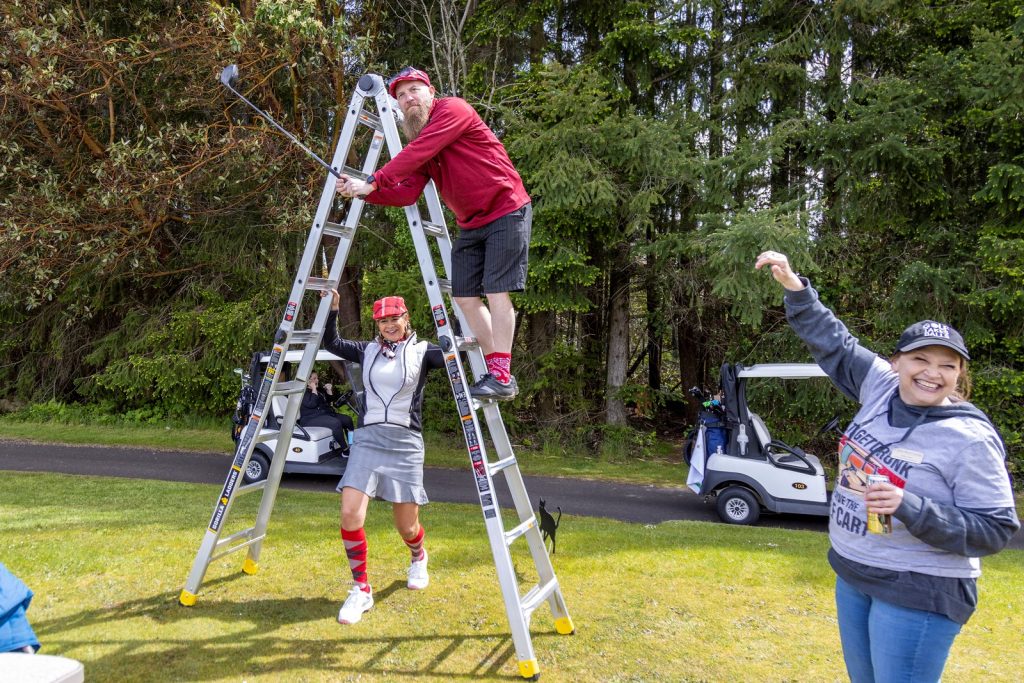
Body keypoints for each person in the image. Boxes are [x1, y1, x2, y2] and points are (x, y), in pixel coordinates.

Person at [755, 250, 1020, 683]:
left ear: (959, 375)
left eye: (946, 366)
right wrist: (795, 288)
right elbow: (833, 342)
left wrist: (910, 506)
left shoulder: (968, 438)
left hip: (919, 588)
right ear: (896, 362)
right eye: (920, 360)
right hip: (855, 572)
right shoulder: (881, 385)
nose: (931, 374)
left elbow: (995, 529)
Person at [336, 66, 531, 402]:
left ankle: (501, 372)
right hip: (470, 223)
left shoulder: (453, 110)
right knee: (465, 298)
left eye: (414, 90)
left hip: (505, 209)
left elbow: (416, 154)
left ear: (430, 92)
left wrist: (373, 180)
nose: (409, 98)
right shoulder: (421, 140)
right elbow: (407, 192)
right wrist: (365, 192)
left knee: (497, 291)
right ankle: (496, 371)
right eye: (401, 95)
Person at [321, 289, 445, 625]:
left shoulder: (424, 351)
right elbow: (331, 342)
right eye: (384, 320)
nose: (390, 324)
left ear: (407, 319)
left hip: (405, 444)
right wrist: (332, 309)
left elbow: (457, 354)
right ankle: (361, 589)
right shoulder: (367, 350)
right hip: (368, 441)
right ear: (377, 323)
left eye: (395, 318)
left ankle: (418, 556)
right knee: (350, 513)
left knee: (406, 525)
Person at [299, 371, 354, 454]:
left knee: (348, 420)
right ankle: (345, 451)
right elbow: (312, 404)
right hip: (309, 418)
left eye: (317, 378)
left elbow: (328, 401)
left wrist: (329, 391)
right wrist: (313, 389)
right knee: (336, 423)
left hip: (324, 414)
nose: (317, 380)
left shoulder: (319, 390)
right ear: (308, 381)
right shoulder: (302, 393)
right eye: (314, 379)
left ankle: (352, 444)